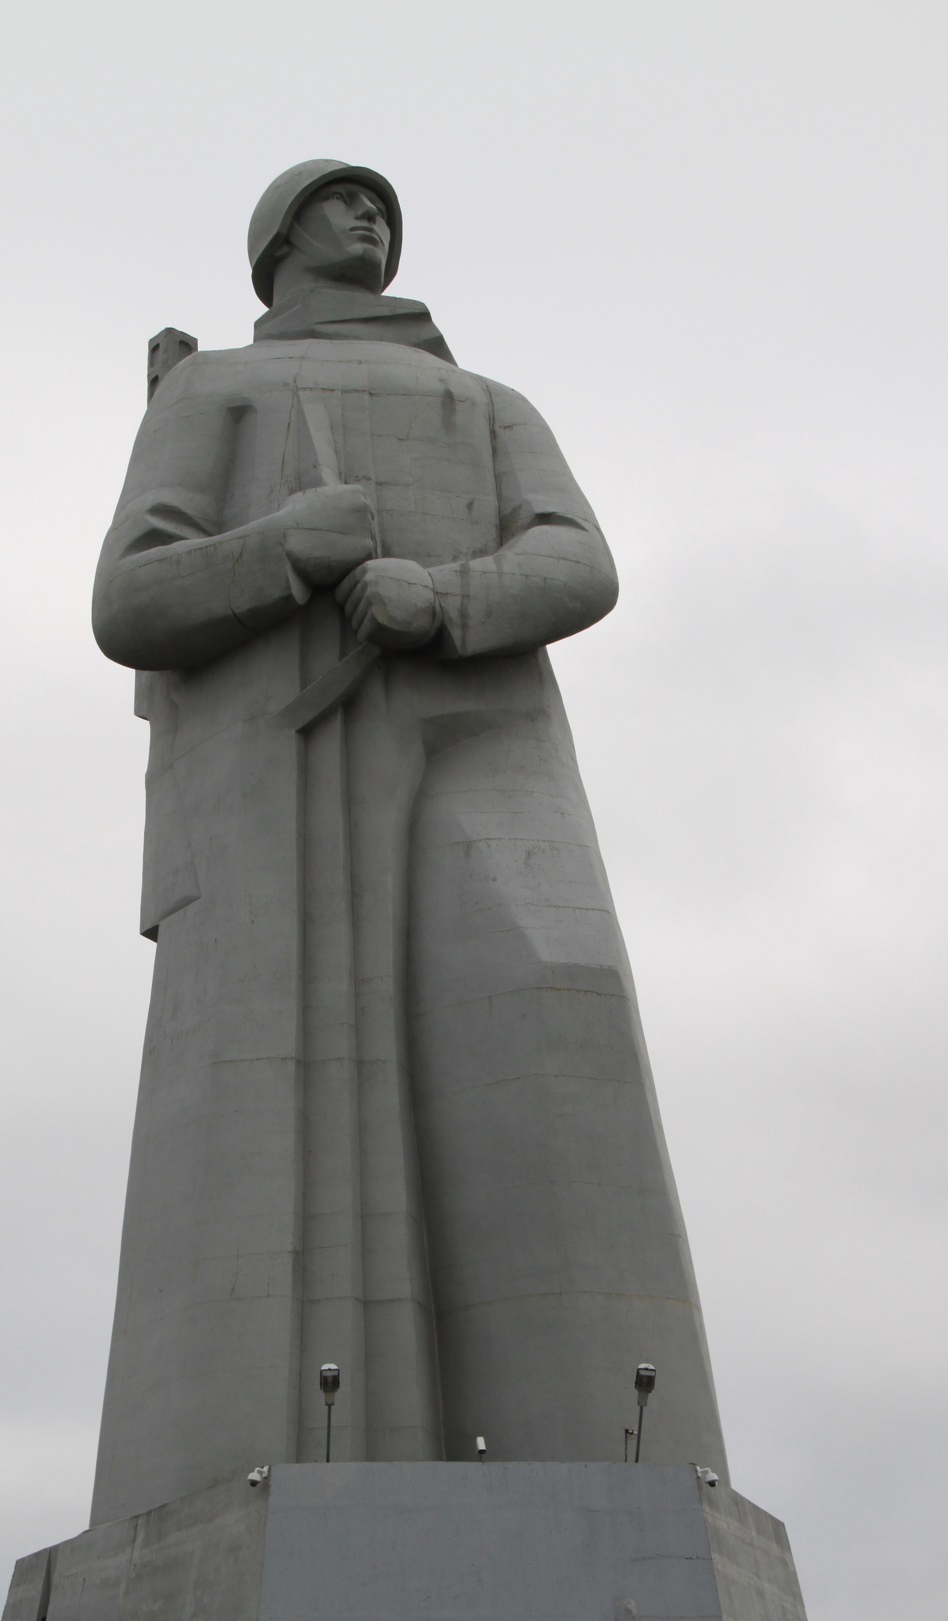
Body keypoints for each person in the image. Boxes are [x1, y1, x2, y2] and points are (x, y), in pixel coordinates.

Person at [87, 158, 731, 1522]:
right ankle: (283, 1459)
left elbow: (579, 560)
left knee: (550, 1040)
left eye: (381, 202)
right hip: (281, 779)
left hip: (484, 743)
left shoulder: (488, 404)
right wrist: (283, 549)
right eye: (338, 202)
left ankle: (604, 1465)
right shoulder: (211, 393)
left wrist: (443, 594)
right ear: (277, 245)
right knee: (287, 1104)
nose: (369, 219)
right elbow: (131, 602)